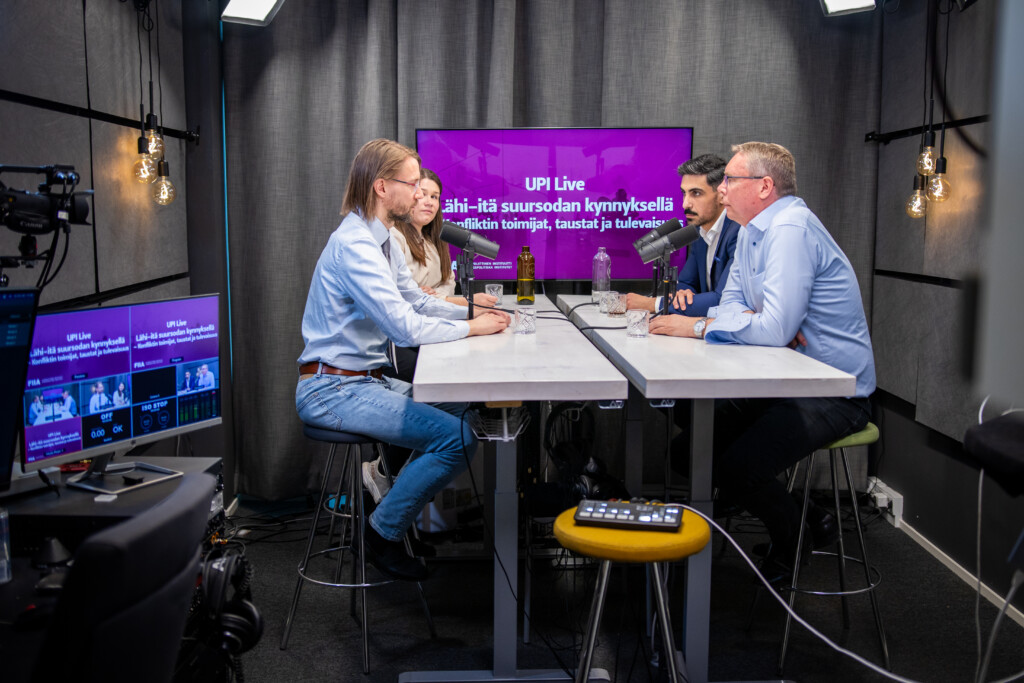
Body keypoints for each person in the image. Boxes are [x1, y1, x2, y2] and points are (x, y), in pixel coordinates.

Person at [649, 142, 875, 583]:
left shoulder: (790, 228)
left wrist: (701, 328)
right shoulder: (751, 229)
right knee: (688, 450)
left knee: (737, 469)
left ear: (765, 186)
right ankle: (809, 520)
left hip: (833, 389)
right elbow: (732, 307)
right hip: (783, 378)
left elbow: (768, 329)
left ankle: (793, 548)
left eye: (731, 180)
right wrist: (756, 322)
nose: (723, 190)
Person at [296, 138, 510, 581]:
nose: (419, 194)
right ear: (380, 187)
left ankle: (389, 494)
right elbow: (404, 327)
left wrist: (472, 310)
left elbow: (415, 298)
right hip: (333, 389)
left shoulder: (384, 240)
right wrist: (473, 327)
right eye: (411, 184)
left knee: (466, 409)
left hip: (366, 381)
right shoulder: (354, 245)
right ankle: (382, 533)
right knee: (457, 440)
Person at [363, 168, 500, 506]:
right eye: (421, 193)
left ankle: (398, 484)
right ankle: (387, 477)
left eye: (435, 197)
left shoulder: (437, 242)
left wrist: (442, 299)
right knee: (445, 396)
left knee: (465, 396)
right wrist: (455, 305)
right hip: (397, 345)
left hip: (426, 334)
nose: (427, 201)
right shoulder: (394, 239)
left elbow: (439, 292)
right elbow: (410, 302)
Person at [626, 153, 740, 318]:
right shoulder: (700, 231)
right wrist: (683, 293)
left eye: (696, 193)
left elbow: (723, 300)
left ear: (722, 195)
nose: (685, 204)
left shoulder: (737, 231)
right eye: (684, 193)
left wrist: (654, 304)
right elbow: (686, 283)